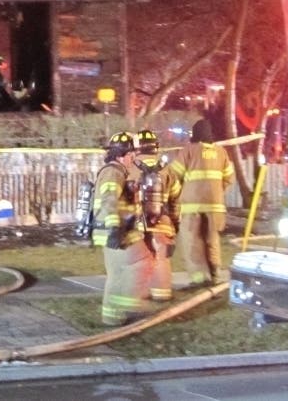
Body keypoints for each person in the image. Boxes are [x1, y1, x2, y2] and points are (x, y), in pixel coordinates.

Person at [165, 118, 235, 288]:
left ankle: (199, 279)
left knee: (192, 242)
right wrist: (217, 192)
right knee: (212, 240)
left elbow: (173, 175)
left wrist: (175, 195)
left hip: (192, 206)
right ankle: (215, 274)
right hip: (215, 207)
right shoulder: (221, 152)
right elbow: (229, 177)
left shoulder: (189, 151)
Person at [91, 131, 149, 326]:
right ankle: (121, 311)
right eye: (132, 154)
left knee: (119, 273)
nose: (134, 159)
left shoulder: (117, 172)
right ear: (124, 154)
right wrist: (115, 228)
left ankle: (115, 315)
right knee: (141, 262)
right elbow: (109, 200)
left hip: (115, 229)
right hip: (114, 230)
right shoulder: (113, 172)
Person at [133, 129, 181, 302]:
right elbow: (175, 198)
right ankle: (162, 294)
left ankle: (141, 294)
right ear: (155, 146)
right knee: (161, 257)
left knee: (139, 259)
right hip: (163, 221)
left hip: (136, 223)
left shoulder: (129, 166)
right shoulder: (166, 169)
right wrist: (175, 222)